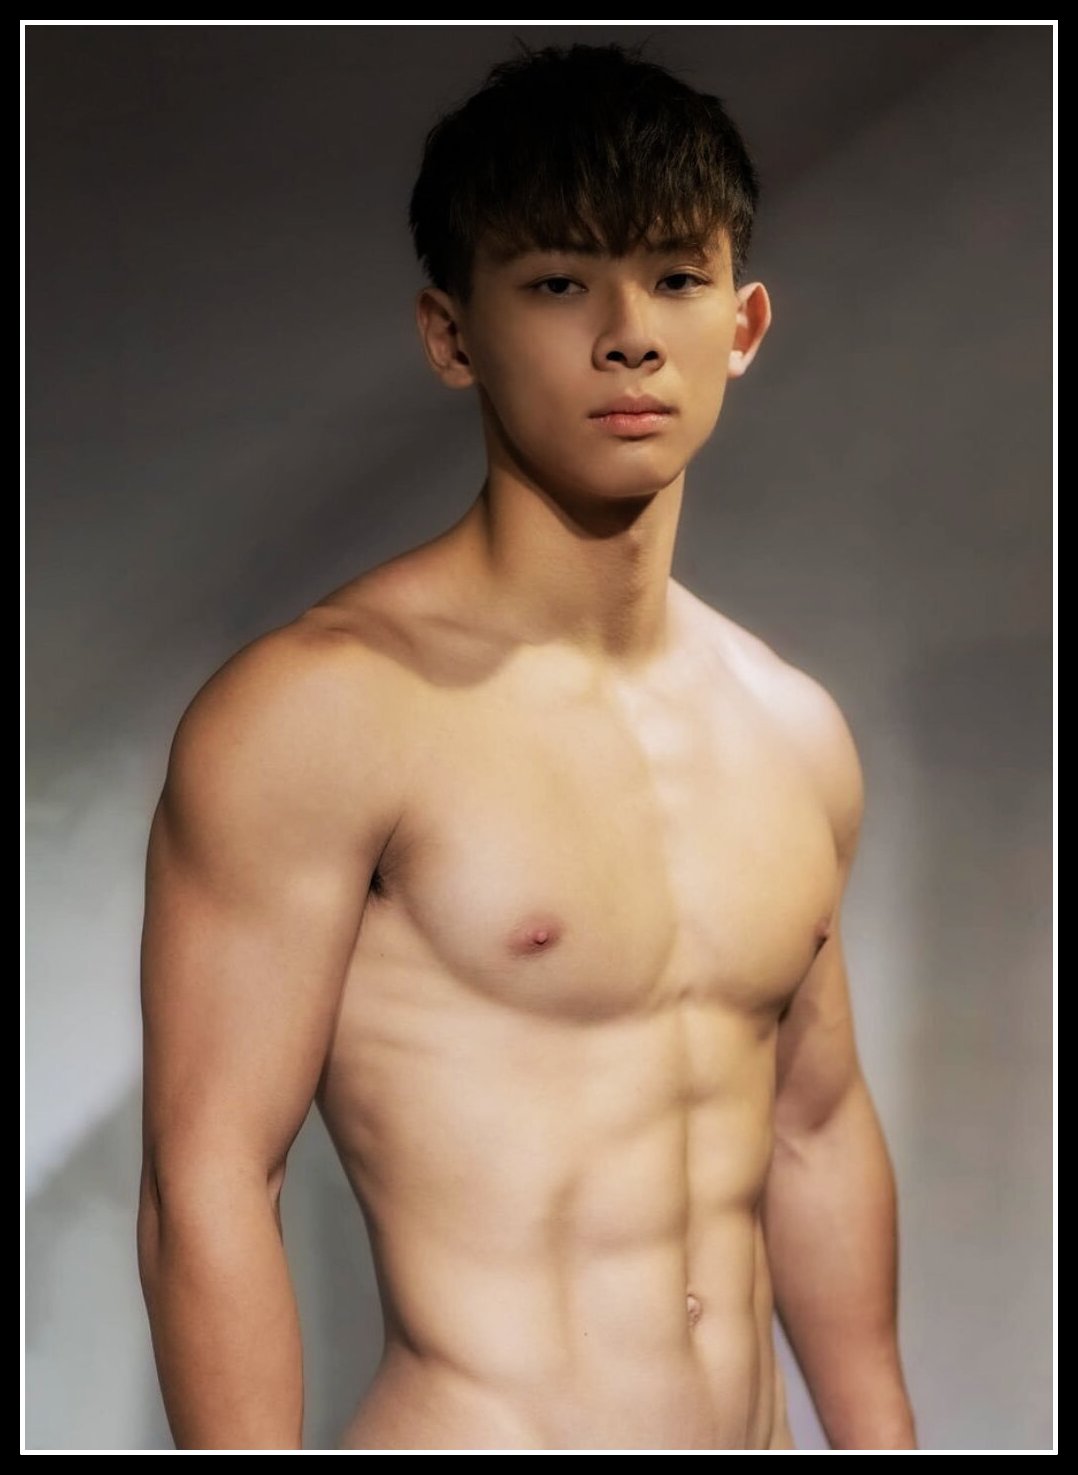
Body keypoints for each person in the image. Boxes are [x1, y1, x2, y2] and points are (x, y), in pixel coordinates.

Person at [136, 39, 918, 1452]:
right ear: (452, 335)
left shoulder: (790, 726)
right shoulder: (323, 709)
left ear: (741, 324)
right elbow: (207, 1179)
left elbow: (812, 1132)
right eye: (559, 283)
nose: (629, 335)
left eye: (674, 277)